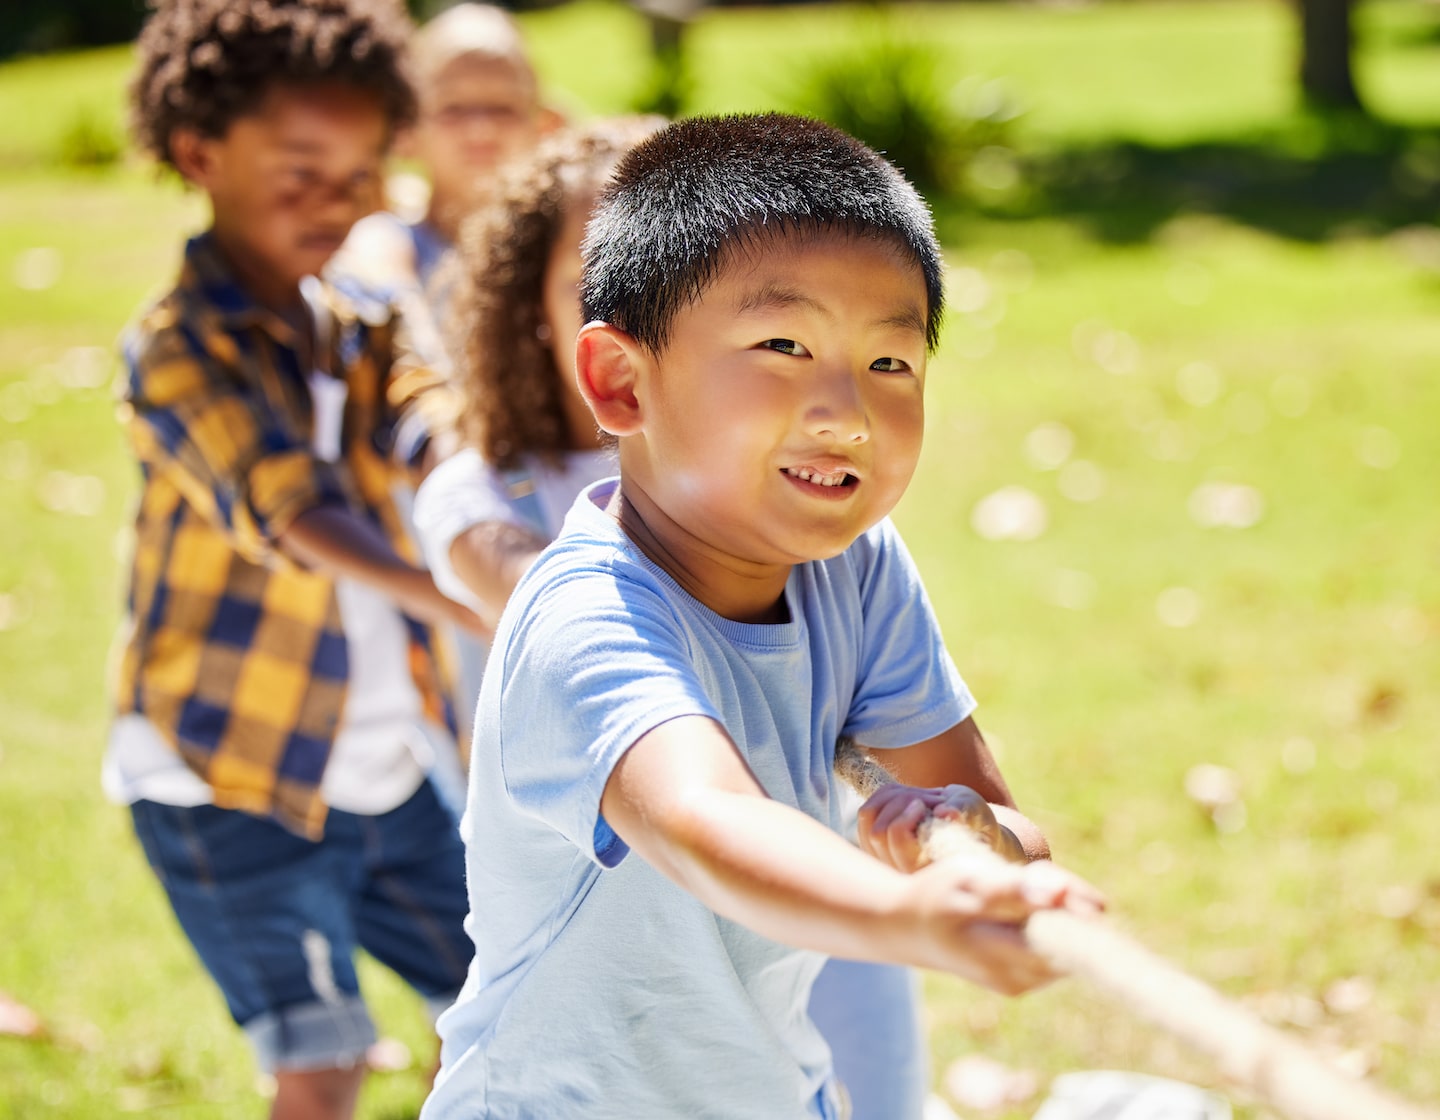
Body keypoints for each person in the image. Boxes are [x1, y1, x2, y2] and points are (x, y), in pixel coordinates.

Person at [421, 113, 1103, 1120]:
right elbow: (709, 820)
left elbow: (981, 807)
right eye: (782, 344)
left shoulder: (854, 568)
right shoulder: (584, 615)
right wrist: (910, 913)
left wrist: (985, 856)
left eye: (892, 363)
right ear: (620, 379)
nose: (847, 410)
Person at [111, 3, 483, 1117]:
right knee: (321, 1064)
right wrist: (448, 590)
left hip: (383, 765)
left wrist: (488, 476)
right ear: (199, 154)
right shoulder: (176, 343)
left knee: (505, 997)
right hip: (229, 778)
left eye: (362, 170)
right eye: (303, 166)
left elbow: (435, 412)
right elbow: (285, 504)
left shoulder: (365, 317)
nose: (339, 196)